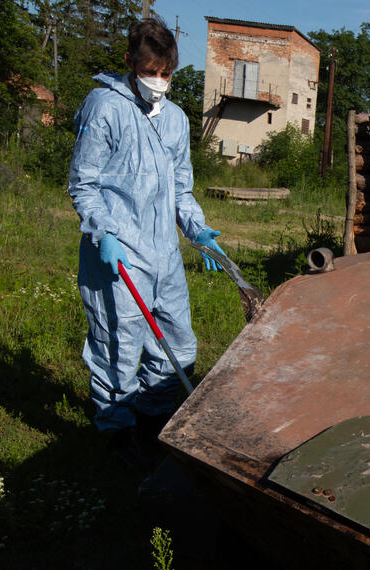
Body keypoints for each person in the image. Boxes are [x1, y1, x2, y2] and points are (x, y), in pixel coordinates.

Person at [68, 17, 226, 457]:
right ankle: (117, 437)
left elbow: (180, 187)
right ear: (130, 63)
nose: (158, 82)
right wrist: (103, 233)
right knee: (118, 345)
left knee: (176, 344)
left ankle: (153, 424)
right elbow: (84, 183)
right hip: (118, 253)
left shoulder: (175, 119)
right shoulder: (105, 107)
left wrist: (197, 228)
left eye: (166, 73)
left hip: (164, 256)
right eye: (150, 71)